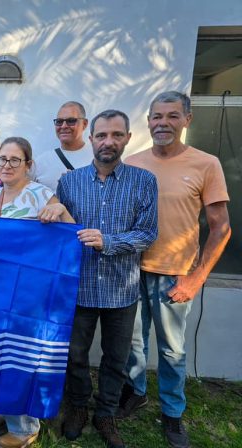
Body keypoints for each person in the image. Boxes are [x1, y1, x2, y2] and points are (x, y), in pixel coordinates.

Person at [120, 91, 231, 448]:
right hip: (132, 270)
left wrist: (197, 277)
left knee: (172, 350)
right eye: (156, 117)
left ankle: (172, 413)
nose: (162, 123)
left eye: (171, 116)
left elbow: (221, 227)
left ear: (187, 119)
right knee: (134, 342)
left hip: (175, 274)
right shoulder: (132, 163)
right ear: (148, 121)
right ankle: (136, 392)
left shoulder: (206, 164)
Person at [57, 110, 158, 448]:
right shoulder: (69, 182)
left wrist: (108, 241)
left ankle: (106, 413)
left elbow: (147, 234)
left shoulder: (144, 181)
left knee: (116, 359)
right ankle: (78, 408)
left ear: (127, 138)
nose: (108, 142)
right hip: (80, 287)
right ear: (91, 139)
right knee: (76, 354)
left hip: (122, 290)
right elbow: (61, 232)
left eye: (116, 135)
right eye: (101, 135)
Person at [0, 136, 74, 448]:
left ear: (28, 165)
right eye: (3, 159)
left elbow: (71, 235)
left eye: (14, 160)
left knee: (18, 355)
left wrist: (59, 209)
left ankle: (24, 428)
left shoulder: (40, 195)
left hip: (27, 294)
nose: (6, 165)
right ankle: (3, 408)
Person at [34, 101, 92, 193]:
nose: (64, 126)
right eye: (59, 122)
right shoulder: (40, 163)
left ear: (84, 124)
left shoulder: (98, 158)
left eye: (71, 121)